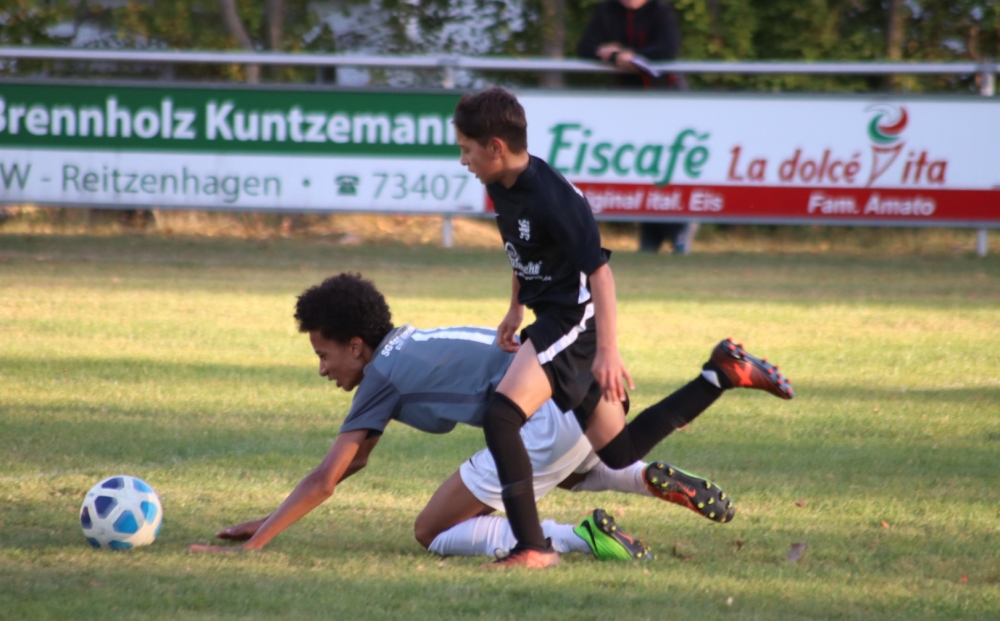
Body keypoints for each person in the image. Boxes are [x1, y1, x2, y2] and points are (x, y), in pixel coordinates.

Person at [454, 88, 793, 568]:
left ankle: (532, 547)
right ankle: (721, 374)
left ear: (495, 147)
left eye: (466, 149)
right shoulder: (503, 185)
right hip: (555, 319)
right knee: (619, 453)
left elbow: (601, 274)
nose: (462, 160)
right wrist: (515, 308)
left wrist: (608, 351)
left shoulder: (553, 197)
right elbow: (522, 255)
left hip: (572, 322)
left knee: (501, 417)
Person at [186, 273, 735, 561]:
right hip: (583, 402)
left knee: (432, 530)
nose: (322, 369)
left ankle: (579, 537)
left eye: (323, 355)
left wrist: (255, 546)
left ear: (356, 346)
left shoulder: (380, 376)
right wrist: (271, 518)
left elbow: (327, 477)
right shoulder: (409, 342)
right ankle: (638, 476)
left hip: (550, 419)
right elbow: (355, 463)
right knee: (556, 470)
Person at [576, 0, 694, 254]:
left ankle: (679, 230)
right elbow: (585, 47)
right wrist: (614, 56)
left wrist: (630, 56)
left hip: (667, 101)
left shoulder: (660, 10)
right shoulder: (607, 10)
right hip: (631, 107)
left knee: (668, 168)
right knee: (645, 171)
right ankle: (650, 235)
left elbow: (666, 49)